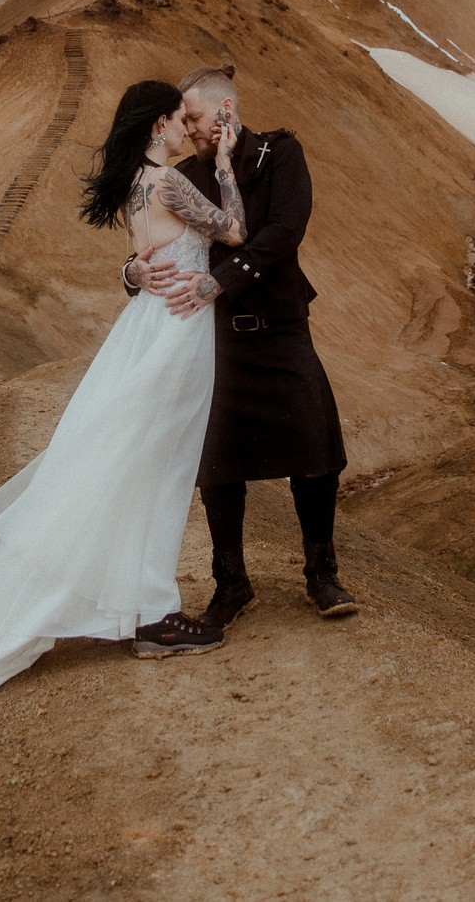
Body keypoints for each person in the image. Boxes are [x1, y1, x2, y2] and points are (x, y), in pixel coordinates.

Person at [0, 79, 246, 722]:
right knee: (160, 471)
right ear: (159, 125)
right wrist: (223, 167)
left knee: (134, 466)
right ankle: (155, 616)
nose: (178, 129)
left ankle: (147, 608)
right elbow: (236, 231)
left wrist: (135, 272)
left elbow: (146, 257)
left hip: (145, 331)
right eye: (174, 120)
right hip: (176, 332)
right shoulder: (168, 182)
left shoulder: (135, 185)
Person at [128, 65, 356, 626]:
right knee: (218, 464)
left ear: (225, 113)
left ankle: (321, 574)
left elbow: (284, 231)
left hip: (280, 328)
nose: (189, 127)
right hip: (215, 342)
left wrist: (221, 281)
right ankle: (231, 584)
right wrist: (133, 272)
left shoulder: (281, 155)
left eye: (196, 118)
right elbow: (157, 245)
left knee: (314, 452)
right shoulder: (185, 176)